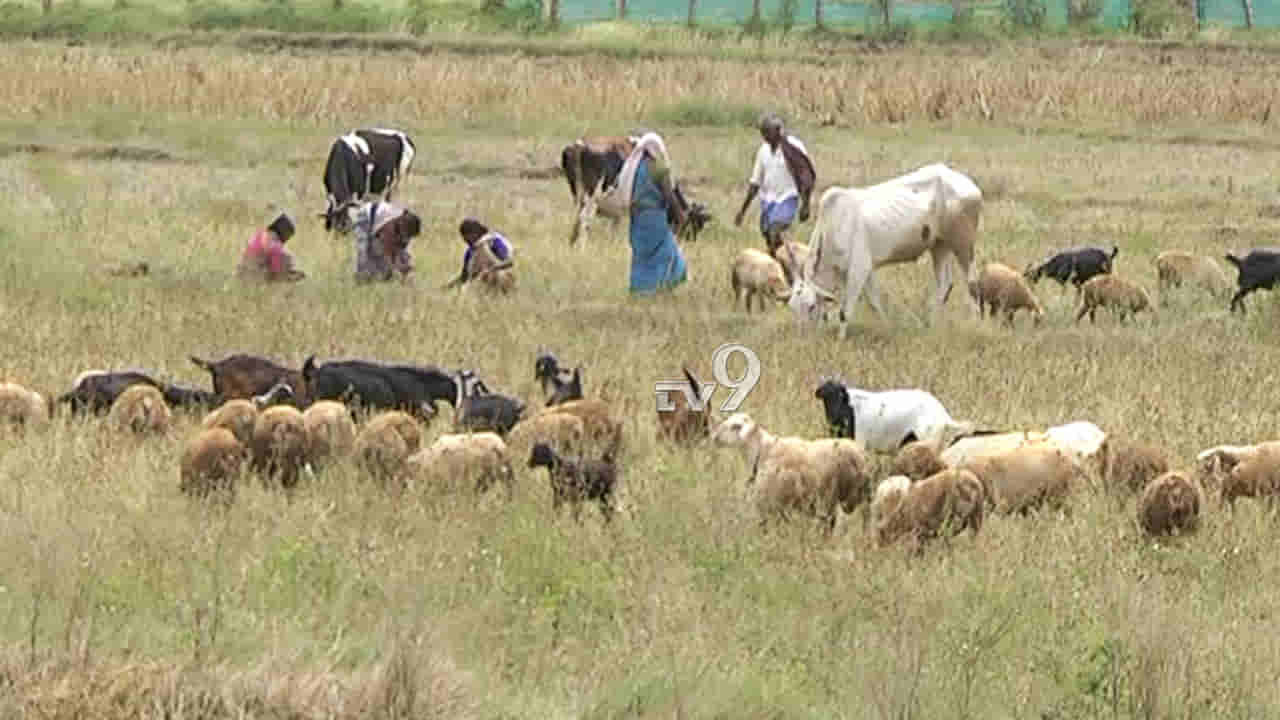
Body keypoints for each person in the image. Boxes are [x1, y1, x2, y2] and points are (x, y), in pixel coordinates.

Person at [608, 132, 687, 296]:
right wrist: (679, 213)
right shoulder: (658, 167)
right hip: (655, 218)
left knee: (641, 256)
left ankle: (641, 290)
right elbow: (669, 194)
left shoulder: (633, 167)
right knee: (666, 251)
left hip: (637, 219)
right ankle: (659, 287)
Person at [733, 113, 817, 260]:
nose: (765, 136)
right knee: (768, 235)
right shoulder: (763, 151)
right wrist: (742, 211)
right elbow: (755, 183)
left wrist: (806, 205)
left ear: (778, 130)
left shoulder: (793, 147)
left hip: (788, 197)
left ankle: (784, 263)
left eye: (767, 132)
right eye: (763, 132)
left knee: (775, 230)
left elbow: (806, 176)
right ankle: (781, 262)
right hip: (768, 200)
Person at [353, 200, 420, 284]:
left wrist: (405, 266)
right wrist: (397, 266)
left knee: (397, 259)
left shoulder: (407, 227)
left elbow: (402, 250)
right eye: (406, 235)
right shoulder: (390, 226)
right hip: (366, 216)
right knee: (365, 250)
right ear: (402, 225)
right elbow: (387, 249)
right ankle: (362, 279)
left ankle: (384, 276)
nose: (407, 239)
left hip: (384, 220)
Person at [444, 218, 513, 290]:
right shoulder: (471, 251)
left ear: (476, 232)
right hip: (484, 281)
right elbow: (465, 275)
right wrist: (450, 285)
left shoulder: (493, 241)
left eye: (467, 235)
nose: (465, 240)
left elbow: (509, 262)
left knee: (498, 276)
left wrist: (489, 270)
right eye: (464, 237)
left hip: (502, 277)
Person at [236, 212, 305, 282]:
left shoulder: (259, 235)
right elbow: (278, 272)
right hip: (257, 278)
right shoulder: (275, 245)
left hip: (242, 273)